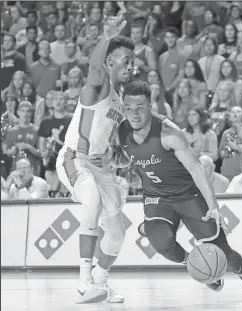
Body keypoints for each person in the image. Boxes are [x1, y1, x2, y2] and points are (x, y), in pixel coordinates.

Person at [113, 80, 242, 300]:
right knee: (162, 244)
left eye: (140, 108)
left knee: (221, 251)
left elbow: (197, 169)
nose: (134, 115)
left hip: (188, 194)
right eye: (129, 109)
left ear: (150, 105)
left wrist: (214, 207)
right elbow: (126, 157)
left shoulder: (169, 132)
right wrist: (113, 160)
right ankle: (202, 268)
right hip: (156, 197)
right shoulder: (122, 130)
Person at [55, 16, 135, 304]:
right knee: (92, 199)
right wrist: (107, 37)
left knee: (117, 233)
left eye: (133, 61)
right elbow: (93, 67)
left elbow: (121, 158)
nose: (131, 66)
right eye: (125, 60)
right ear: (110, 61)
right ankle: (83, 281)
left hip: (99, 166)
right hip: (74, 158)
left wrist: (117, 158)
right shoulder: (97, 88)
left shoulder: (121, 101)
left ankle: (100, 282)